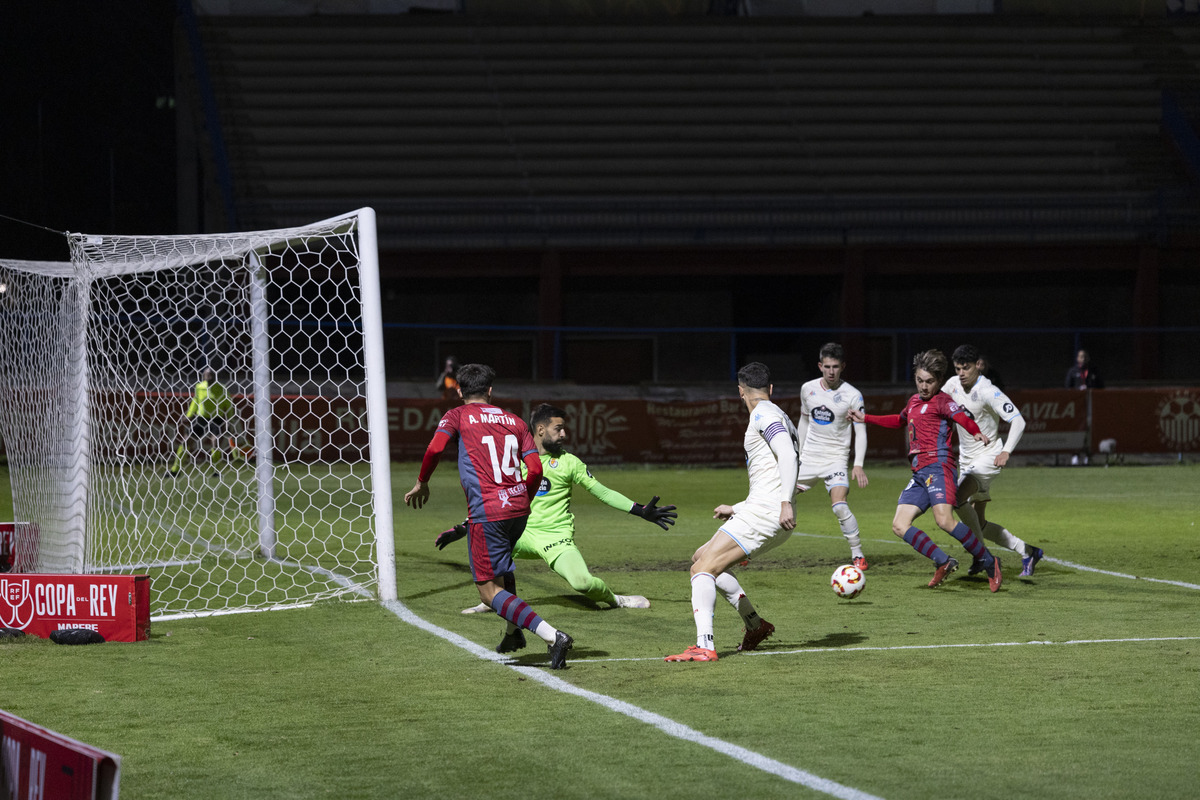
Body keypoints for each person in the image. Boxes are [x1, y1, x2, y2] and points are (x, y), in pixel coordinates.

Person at [404, 363, 574, 669]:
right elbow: (535, 469)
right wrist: (522, 496)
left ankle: (552, 636)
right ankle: (513, 634)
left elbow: (434, 449)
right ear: (490, 391)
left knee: (487, 590)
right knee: (503, 569)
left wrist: (422, 482)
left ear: (459, 391)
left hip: (488, 511)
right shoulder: (514, 420)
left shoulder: (456, 415)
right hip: (519, 508)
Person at [443, 403, 677, 613]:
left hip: (555, 536)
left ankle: (616, 599)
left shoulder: (569, 462)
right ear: (541, 430)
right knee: (485, 541)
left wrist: (639, 509)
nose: (564, 434)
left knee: (582, 583)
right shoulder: (515, 460)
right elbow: (496, 500)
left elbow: (602, 492)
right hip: (521, 532)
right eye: (558, 428)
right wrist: (465, 526)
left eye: (564, 429)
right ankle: (491, 600)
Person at [665, 362, 798, 663]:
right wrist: (737, 507)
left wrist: (786, 500)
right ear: (770, 389)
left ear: (740, 391)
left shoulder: (764, 414)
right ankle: (755, 625)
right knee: (700, 560)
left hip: (766, 514)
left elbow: (788, 455)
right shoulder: (781, 416)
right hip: (763, 511)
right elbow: (779, 465)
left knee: (703, 571)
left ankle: (704, 646)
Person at [849, 349, 1003, 592]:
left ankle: (988, 561)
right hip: (920, 472)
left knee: (944, 521)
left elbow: (962, 417)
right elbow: (898, 421)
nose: (923, 386)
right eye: (920, 380)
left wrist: (975, 431)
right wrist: (865, 418)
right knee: (899, 525)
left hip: (939, 467)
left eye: (929, 381)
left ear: (939, 381)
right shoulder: (912, 402)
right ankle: (943, 561)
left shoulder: (943, 401)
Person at [943, 345, 1045, 578]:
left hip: (989, 457)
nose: (961, 373)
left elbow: (1018, 420)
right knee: (978, 522)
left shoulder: (988, 391)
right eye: (957, 368)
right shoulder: (952, 385)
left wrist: (1006, 451)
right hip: (967, 460)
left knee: (957, 499)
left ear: (977, 365)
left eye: (965, 368)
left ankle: (982, 556)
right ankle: (1028, 551)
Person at [794, 342, 870, 571]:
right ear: (820, 365)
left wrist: (858, 464)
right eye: (827, 366)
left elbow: (861, 430)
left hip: (836, 459)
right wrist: (795, 454)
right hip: (808, 458)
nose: (831, 371)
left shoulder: (852, 395)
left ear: (842, 366)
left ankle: (858, 555)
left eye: (835, 366)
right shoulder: (807, 389)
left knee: (839, 505)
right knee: (778, 499)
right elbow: (804, 421)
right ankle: (749, 548)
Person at [168, 368, 238, 477]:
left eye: (211, 374)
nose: (209, 376)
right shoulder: (199, 387)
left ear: (215, 376)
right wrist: (189, 415)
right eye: (206, 374)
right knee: (186, 442)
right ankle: (175, 470)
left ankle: (216, 471)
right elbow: (196, 401)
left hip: (216, 418)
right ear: (203, 376)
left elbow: (228, 405)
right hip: (201, 418)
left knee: (216, 442)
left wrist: (230, 420)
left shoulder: (222, 388)